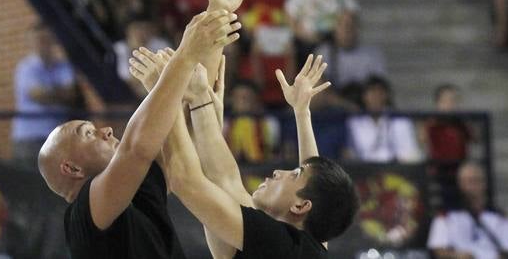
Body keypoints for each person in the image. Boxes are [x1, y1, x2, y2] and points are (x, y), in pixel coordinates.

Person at [39, 0, 256, 259]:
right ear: (72, 168)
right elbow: (135, 148)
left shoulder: (134, 191)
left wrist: (217, 12)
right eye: (87, 133)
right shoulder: (84, 214)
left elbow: (186, 110)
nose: (104, 131)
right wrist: (183, 56)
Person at [130, 48, 359, 258]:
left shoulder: (279, 244)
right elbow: (224, 179)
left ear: (300, 207)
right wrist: (301, 112)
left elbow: (184, 180)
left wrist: (165, 92)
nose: (279, 171)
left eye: (294, 175)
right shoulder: (307, 246)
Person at [12, 23, 80, 167]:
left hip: (57, 137)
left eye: (45, 39)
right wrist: (59, 94)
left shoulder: (63, 66)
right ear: (30, 44)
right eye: (38, 40)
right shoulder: (25, 68)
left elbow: (71, 93)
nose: (42, 44)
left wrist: (48, 93)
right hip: (30, 138)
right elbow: (38, 95)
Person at [427, 161, 508, 259]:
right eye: (467, 181)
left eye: (476, 180)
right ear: (460, 184)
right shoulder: (446, 216)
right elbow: (439, 250)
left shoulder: (499, 216)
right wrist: (457, 256)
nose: (472, 186)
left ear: (484, 183)